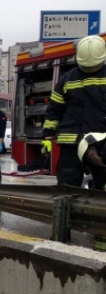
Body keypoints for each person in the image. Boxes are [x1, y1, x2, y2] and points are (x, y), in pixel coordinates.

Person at [44, 35, 106, 187]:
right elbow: (54, 110)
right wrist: (47, 136)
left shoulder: (68, 79)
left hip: (97, 141)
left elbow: (54, 110)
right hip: (75, 141)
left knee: (100, 185)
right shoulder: (67, 79)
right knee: (67, 185)